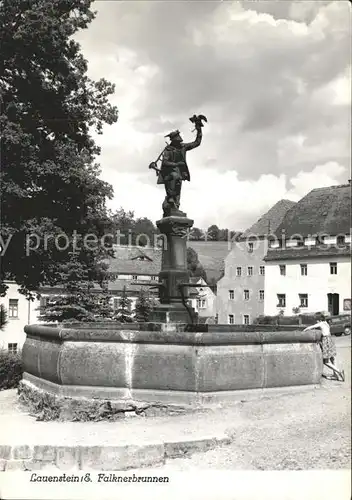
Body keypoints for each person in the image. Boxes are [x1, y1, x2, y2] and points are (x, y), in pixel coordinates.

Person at [157, 124, 202, 216]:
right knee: (174, 181)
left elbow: (196, 143)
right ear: (173, 139)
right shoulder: (168, 149)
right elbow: (165, 162)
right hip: (170, 174)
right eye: (177, 138)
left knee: (178, 191)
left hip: (180, 174)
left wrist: (199, 130)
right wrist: (176, 164)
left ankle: (175, 207)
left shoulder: (183, 147)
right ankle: (170, 202)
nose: (179, 139)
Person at [304, 312, 345, 381]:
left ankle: (339, 371)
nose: (316, 321)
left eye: (316, 320)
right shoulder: (326, 323)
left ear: (319, 319)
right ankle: (336, 375)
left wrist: (305, 330)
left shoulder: (320, 323)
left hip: (326, 341)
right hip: (330, 340)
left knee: (325, 361)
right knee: (332, 358)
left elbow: (311, 327)